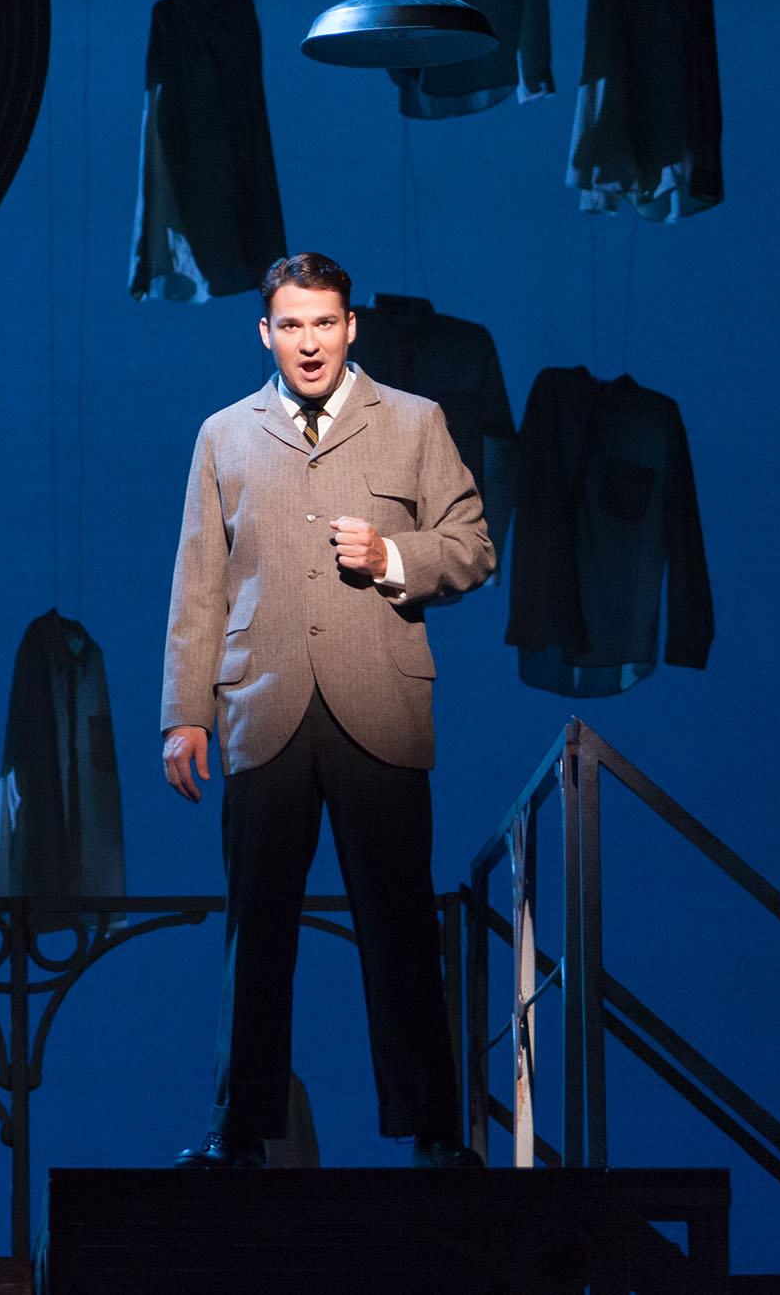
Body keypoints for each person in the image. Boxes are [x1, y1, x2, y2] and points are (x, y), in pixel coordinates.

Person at [159, 253, 494, 1169]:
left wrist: (392, 555)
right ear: (266, 333)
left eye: (325, 322)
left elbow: (474, 546)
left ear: (353, 328)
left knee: (397, 927)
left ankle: (432, 1132)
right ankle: (240, 1132)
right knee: (254, 931)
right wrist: (184, 714)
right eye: (292, 324)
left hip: (378, 703)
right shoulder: (224, 435)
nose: (310, 341)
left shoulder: (415, 424)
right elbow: (200, 582)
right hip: (261, 707)